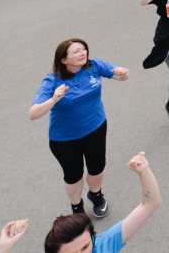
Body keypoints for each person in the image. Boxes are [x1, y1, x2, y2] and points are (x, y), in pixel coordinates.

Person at [29, 38, 131, 218]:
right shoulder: (52, 81)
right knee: (73, 176)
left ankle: (96, 195)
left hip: (96, 128)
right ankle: (77, 207)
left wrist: (123, 73)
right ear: (63, 59)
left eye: (83, 49)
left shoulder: (93, 66)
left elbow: (121, 75)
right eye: (76, 51)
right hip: (65, 139)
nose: (83, 53)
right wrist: (53, 99)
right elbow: (33, 113)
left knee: (97, 167)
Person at [0, 152, 161, 253]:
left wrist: (144, 172)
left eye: (85, 247)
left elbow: (150, 203)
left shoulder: (102, 246)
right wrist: (3, 248)